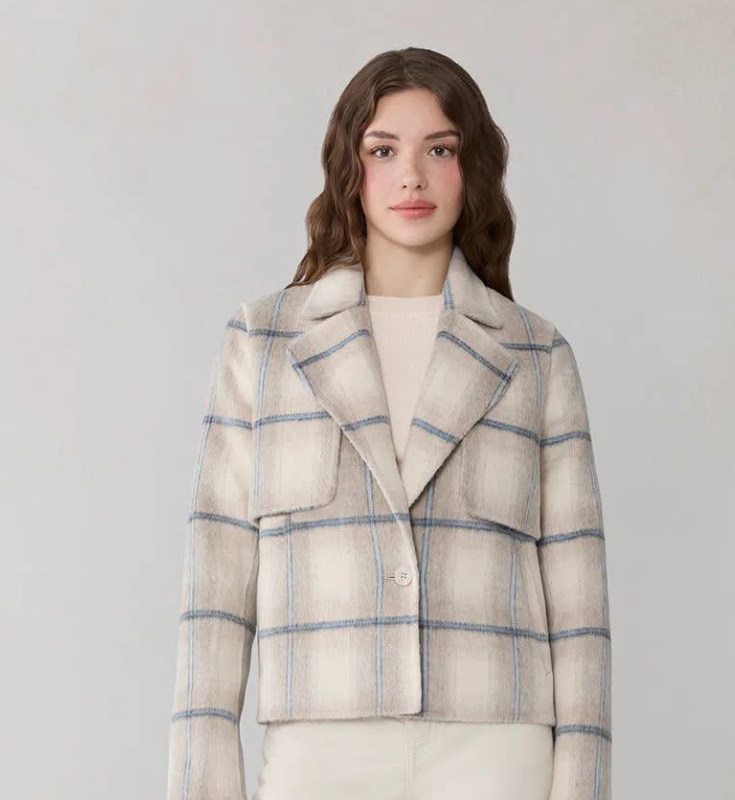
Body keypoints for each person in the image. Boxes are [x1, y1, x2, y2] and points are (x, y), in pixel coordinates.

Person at [166, 46, 612, 800]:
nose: (411, 176)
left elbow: (580, 606)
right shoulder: (265, 343)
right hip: (319, 747)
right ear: (350, 167)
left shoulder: (534, 354)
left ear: (473, 170)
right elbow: (215, 588)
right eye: (383, 150)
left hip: (496, 748)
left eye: (440, 149)